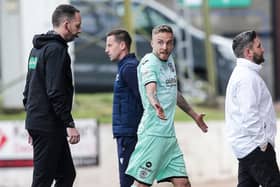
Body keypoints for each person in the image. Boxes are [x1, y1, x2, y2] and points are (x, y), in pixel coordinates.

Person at [125, 24, 208, 187]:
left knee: (183, 183)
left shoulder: (169, 61)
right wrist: (155, 104)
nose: (165, 47)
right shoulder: (149, 63)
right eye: (160, 42)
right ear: (152, 43)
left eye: (169, 43)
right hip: (153, 135)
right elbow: (151, 90)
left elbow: (173, 92)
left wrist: (194, 115)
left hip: (169, 137)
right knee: (141, 184)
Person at [22, 4, 81, 187]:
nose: (79, 31)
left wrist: (33, 121)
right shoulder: (57, 50)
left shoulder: (37, 49)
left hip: (43, 123)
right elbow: (55, 92)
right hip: (48, 124)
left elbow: (28, 90)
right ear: (66, 24)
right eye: (77, 26)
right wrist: (69, 124)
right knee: (42, 181)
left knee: (66, 175)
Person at [225, 30, 280, 187]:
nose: (262, 49)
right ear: (248, 52)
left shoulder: (245, 74)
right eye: (259, 46)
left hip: (248, 147)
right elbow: (249, 115)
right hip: (255, 147)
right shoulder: (246, 78)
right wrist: (263, 143)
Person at [105, 29, 143, 187]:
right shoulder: (124, 67)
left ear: (122, 45)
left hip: (129, 135)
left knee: (128, 182)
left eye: (109, 45)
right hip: (125, 133)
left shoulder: (129, 68)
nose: (106, 49)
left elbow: (144, 100)